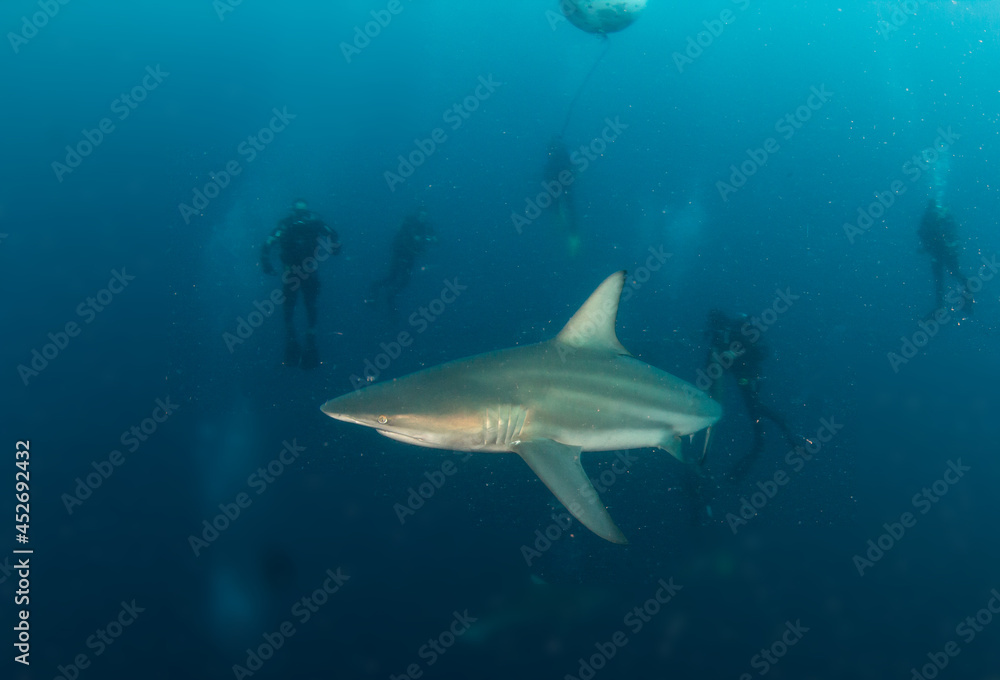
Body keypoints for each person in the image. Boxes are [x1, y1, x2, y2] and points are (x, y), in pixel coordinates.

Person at [703, 309, 805, 481]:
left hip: (747, 376)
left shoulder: (737, 331)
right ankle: (779, 437)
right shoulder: (720, 336)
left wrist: (735, 354)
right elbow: (712, 362)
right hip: (739, 376)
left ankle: (787, 434)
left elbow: (759, 351)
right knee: (756, 413)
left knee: (756, 412)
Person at [260, 200, 340, 369]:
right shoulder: (310, 223)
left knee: (296, 304)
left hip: (295, 271)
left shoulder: (289, 224)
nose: (300, 218)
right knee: (306, 304)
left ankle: (299, 335)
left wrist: (266, 263)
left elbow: (268, 244)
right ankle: (306, 335)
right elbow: (332, 234)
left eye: (302, 214)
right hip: (304, 270)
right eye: (299, 214)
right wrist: (335, 248)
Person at [369, 208, 437, 314]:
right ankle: (376, 289)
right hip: (399, 253)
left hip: (410, 256)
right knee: (392, 277)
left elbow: (435, 239)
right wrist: (414, 238)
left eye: (425, 216)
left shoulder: (424, 226)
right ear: (417, 215)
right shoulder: (409, 224)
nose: (423, 218)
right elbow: (403, 237)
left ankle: (390, 296)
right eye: (421, 215)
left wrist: (432, 239)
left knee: (405, 281)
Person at [918, 199, 975, 316]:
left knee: (939, 281)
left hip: (938, 252)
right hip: (948, 251)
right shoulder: (942, 215)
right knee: (955, 274)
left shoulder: (929, 216)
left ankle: (940, 308)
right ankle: (967, 294)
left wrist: (926, 248)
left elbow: (923, 234)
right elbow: (951, 232)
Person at [544, 136, 580, 255]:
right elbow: (575, 163)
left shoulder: (552, 151)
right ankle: (573, 234)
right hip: (565, 181)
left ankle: (564, 226)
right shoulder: (565, 149)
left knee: (556, 205)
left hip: (554, 181)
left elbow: (546, 166)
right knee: (569, 206)